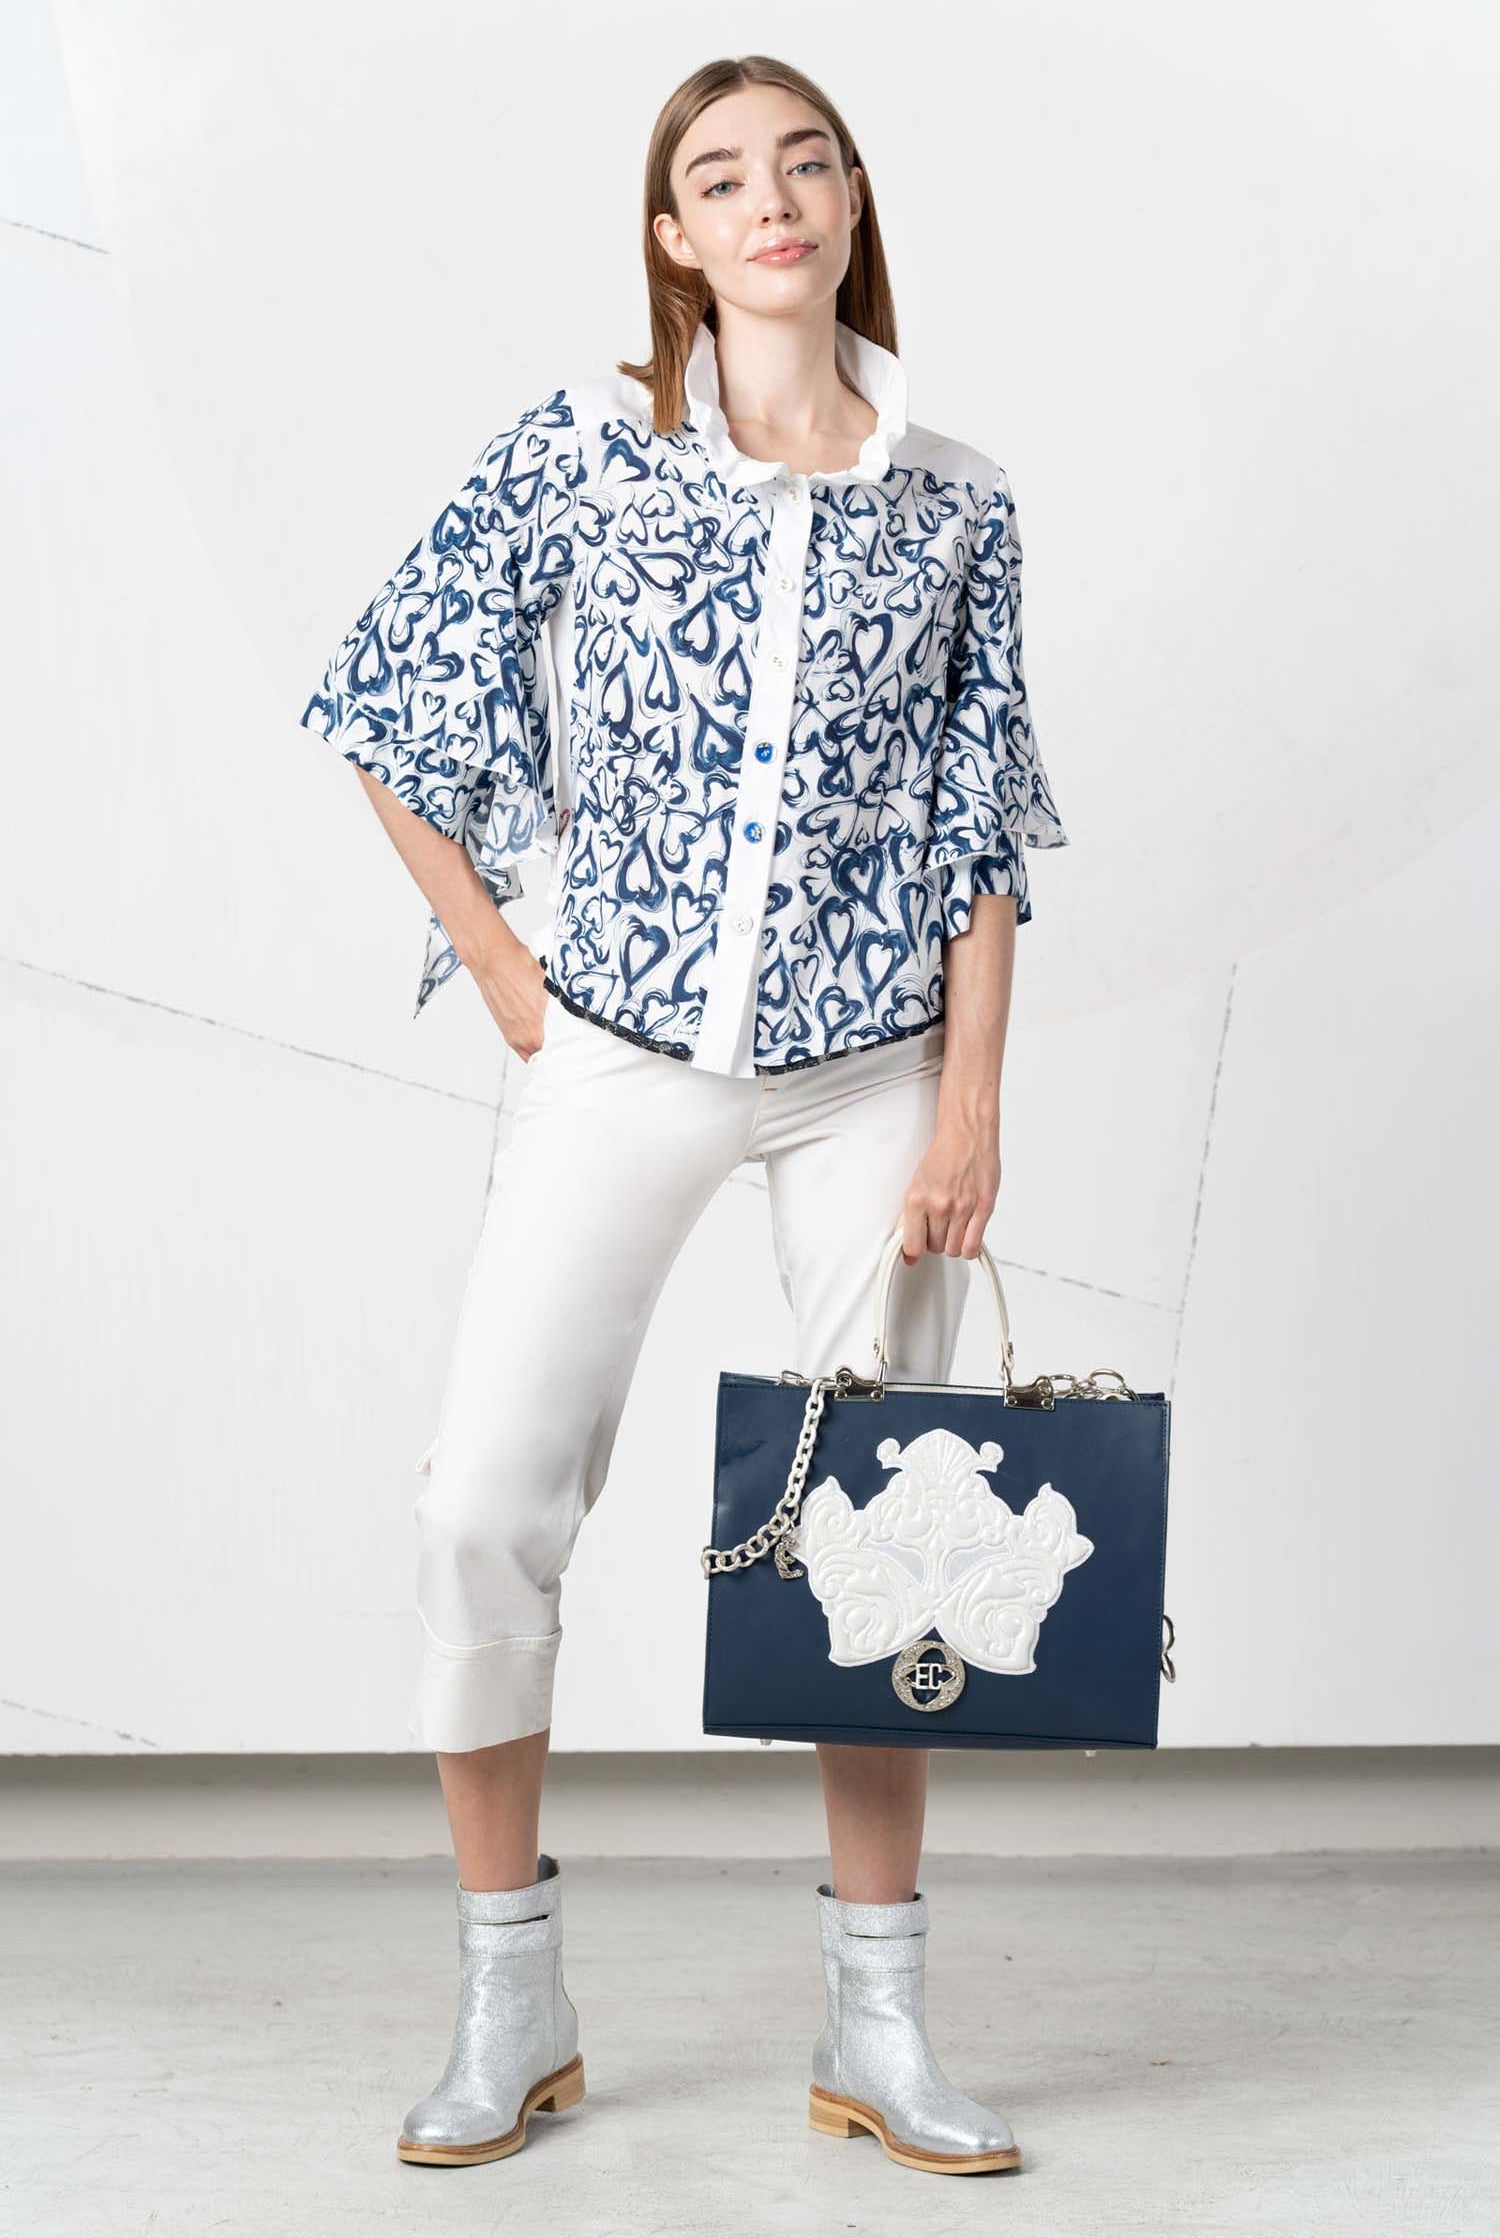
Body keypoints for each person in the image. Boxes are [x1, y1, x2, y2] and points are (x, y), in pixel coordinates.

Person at [298, 52, 1067, 2180]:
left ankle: (878, 2022)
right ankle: (511, 2000)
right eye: (720, 177)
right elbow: (389, 693)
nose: (770, 199)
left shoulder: (961, 503)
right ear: (674, 236)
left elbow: (982, 830)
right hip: (622, 1047)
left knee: (899, 1538)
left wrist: (970, 1104)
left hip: (873, 1074)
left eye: (803, 162)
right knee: (482, 1502)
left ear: (850, 201)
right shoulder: (586, 448)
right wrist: (503, 964)